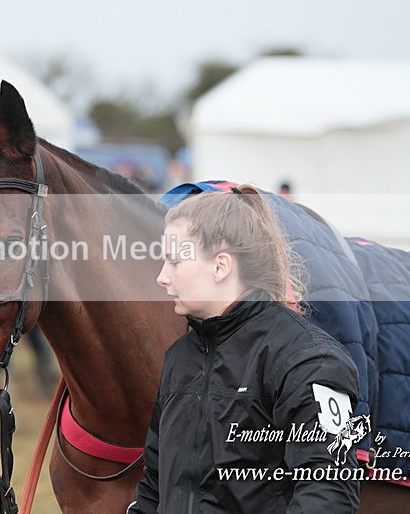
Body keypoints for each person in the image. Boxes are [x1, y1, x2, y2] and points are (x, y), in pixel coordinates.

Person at [128, 185, 360, 513]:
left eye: (175, 261)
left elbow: (328, 493)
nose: (162, 278)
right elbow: (154, 485)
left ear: (221, 266)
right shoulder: (179, 357)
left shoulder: (308, 360)